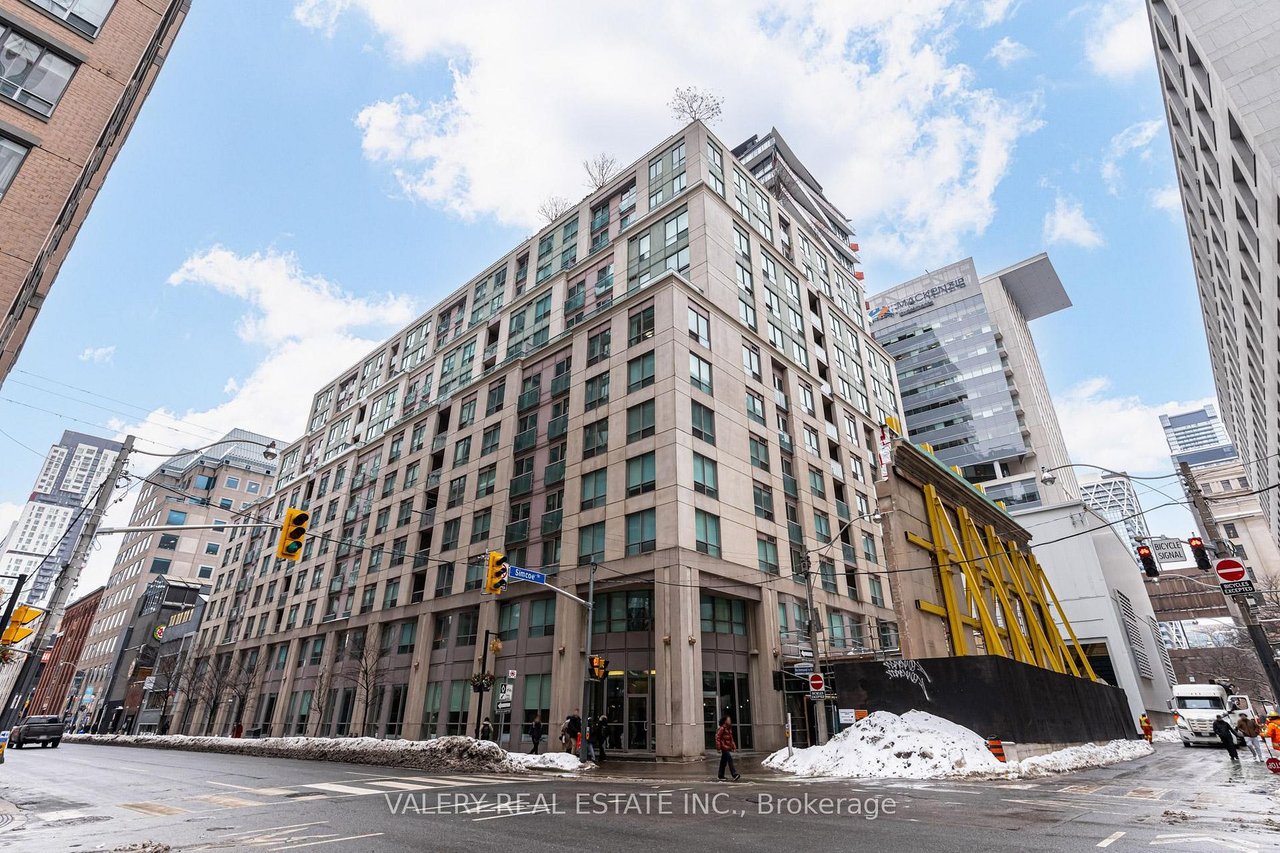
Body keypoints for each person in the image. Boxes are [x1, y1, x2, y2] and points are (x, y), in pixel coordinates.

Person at [716, 714, 741, 782]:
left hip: (727, 747)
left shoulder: (728, 728)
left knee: (723, 762)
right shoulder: (722, 728)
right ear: (725, 721)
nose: (730, 721)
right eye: (728, 719)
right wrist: (718, 748)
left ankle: (720, 775)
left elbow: (731, 739)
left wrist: (733, 747)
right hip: (724, 747)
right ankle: (734, 774)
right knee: (729, 759)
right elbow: (718, 737)